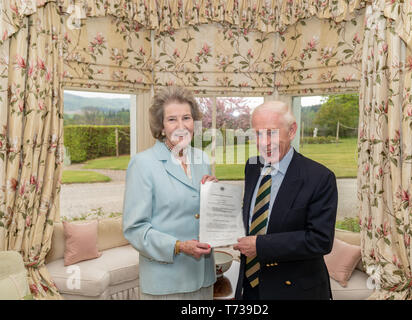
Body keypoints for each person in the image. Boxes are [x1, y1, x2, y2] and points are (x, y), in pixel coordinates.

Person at [233, 101, 338, 300]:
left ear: (292, 131)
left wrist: (261, 246)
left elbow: (320, 240)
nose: (264, 142)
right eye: (258, 133)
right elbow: (255, 214)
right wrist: (212, 192)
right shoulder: (252, 166)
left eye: (271, 132)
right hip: (250, 287)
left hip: (295, 291)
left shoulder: (320, 177)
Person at [122, 86, 217, 300]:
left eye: (187, 118)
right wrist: (178, 246)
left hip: (204, 278)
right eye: (172, 119)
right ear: (162, 127)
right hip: (166, 282)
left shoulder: (201, 158)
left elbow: (199, 214)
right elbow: (135, 229)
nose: (181, 126)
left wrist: (214, 196)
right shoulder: (143, 164)